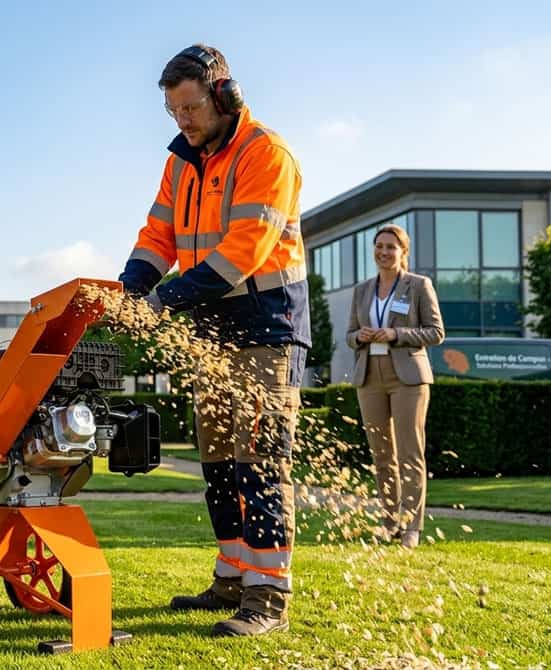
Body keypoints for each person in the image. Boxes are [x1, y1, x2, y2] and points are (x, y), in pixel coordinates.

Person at [118, 43, 309, 637]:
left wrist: (161, 301)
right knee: (219, 461)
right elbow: (158, 236)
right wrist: (128, 289)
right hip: (209, 326)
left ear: (224, 96)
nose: (184, 121)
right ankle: (231, 576)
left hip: (265, 325)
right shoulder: (181, 162)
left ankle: (267, 596)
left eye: (192, 107)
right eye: (173, 111)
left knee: (260, 460)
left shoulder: (266, 154)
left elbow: (241, 254)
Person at [345, 225, 444, 549]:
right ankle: (389, 523)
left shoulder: (418, 286)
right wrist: (359, 336)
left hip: (408, 378)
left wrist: (395, 335)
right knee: (382, 455)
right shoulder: (362, 290)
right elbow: (348, 335)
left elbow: (435, 332)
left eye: (391, 247)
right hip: (369, 375)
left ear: (403, 252)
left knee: (409, 454)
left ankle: (411, 526)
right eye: (379, 246)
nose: (384, 252)